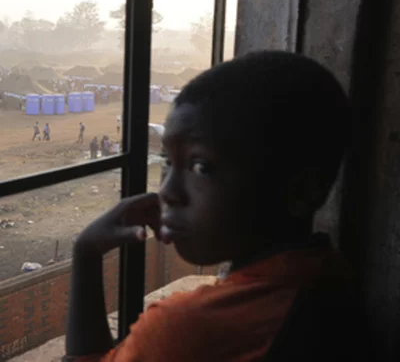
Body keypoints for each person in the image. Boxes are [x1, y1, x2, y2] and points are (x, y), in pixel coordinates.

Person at [65, 51, 363, 361]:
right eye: (167, 161)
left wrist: (85, 251)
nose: (167, 191)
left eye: (201, 167)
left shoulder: (186, 327)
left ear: (300, 192)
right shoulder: (325, 276)